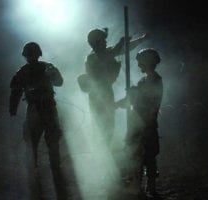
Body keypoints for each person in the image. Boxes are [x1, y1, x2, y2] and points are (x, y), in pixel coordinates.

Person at [9, 42, 66, 200]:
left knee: (46, 140)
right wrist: (12, 108)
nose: (31, 57)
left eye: (31, 54)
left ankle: (46, 169)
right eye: (30, 55)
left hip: (43, 108)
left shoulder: (40, 69)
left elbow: (59, 82)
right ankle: (44, 169)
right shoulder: (26, 71)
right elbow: (15, 91)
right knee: (38, 141)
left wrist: (13, 109)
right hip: (38, 109)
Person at [80, 28, 148, 144]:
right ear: (95, 42)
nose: (106, 42)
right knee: (101, 125)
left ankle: (106, 148)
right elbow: (108, 56)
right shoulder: (92, 57)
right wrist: (120, 43)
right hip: (97, 96)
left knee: (109, 124)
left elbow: (123, 49)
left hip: (106, 92)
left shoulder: (106, 52)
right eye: (103, 40)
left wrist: (141, 40)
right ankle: (101, 152)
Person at [116, 48, 163, 196]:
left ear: (148, 62)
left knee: (148, 155)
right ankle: (138, 185)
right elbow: (133, 101)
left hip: (146, 123)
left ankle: (151, 185)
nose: (138, 66)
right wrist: (119, 103)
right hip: (138, 123)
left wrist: (133, 94)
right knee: (136, 155)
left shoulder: (155, 80)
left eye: (140, 63)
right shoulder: (145, 80)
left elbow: (147, 101)